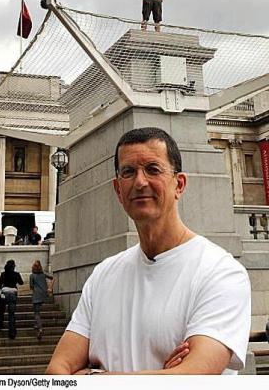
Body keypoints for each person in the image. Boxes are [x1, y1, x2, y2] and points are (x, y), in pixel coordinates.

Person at [46, 127, 251, 375]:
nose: (140, 182)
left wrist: (92, 375)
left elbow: (194, 377)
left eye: (153, 170)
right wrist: (161, 375)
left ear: (180, 184)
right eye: (128, 172)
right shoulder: (103, 274)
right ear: (118, 190)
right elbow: (56, 372)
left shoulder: (221, 272)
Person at [0, 259, 24, 339]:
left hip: (4, 293)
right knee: (11, 314)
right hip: (13, 293)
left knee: (1, 310)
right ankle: (12, 332)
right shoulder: (16, 274)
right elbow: (21, 282)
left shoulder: (3, 274)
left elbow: (0, 285)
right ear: (13, 266)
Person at [30, 260, 54, 340]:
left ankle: (40, 328)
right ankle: (36, 324)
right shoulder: (43, 274)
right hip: (43, 294)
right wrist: (50, 288)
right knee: (38, 310)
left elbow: (31, 286)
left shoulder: (32, 276)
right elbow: (52, 278)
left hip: (36, 295)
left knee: (36, 312)